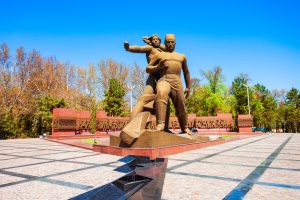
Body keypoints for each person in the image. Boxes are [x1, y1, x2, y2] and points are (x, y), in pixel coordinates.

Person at [146, 34, 192, 134]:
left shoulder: (181, 56)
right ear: (165, 43)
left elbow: (186, 72)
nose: (170, 44)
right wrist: (157, 67)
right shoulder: (159, 55)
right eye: (168, 42)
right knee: (161, 93)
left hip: (177, 82)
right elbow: (148, 68)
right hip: (164, 80)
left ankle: (184, 127)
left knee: (181, 105)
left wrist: (188, 87)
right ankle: (161, 124)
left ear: (175, 43)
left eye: (172, 42)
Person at [124, 35, 170, 131]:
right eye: (154, 40)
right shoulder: (150, 48)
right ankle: (130, 126)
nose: (156, 41)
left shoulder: (163, 51)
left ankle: (165, 128)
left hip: (163, 78)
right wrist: (128, 48)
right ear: (151, 41)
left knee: (166, 103)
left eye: (158, 40)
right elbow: (139, 48)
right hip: (153, 77)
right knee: (143, 99)